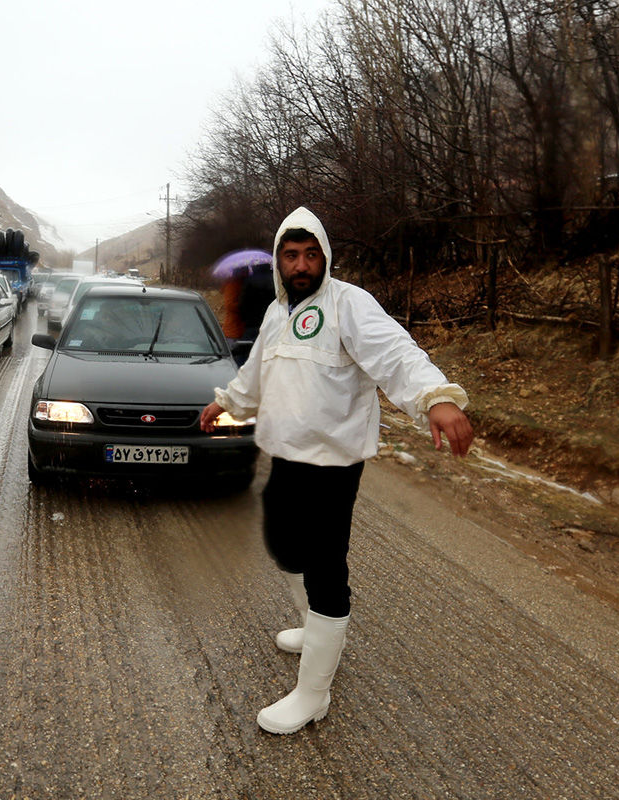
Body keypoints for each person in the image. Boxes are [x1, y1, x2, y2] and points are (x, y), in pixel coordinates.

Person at [200, 206, 473, 735]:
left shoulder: (350, 304)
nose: (301, 265)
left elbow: (396, 354)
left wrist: (435, 398)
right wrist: (227, 402)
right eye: (291, 254)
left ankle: (313, 693)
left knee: (325, 567)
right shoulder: (279, 313)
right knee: (284, 547)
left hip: (334, 464)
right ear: (279, 260)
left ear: (324, 256)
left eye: (310, 254)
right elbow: (256, 371)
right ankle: (315, 625)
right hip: (285, 455)